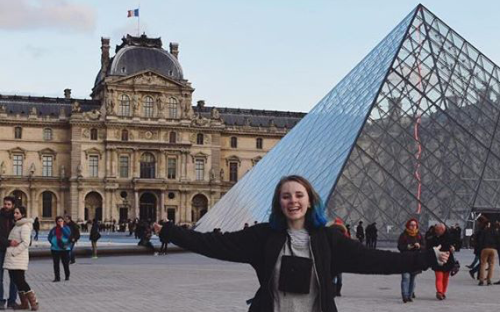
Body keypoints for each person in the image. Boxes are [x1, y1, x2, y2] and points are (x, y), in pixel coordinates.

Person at [153, 175, 449, 312]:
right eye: (286, 196)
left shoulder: (331, 240)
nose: (292, 200)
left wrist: (427, 258)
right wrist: (171, 232)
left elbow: (379, 261)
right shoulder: (263, 236)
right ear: (278, 203)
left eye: (298, 195)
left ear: (310, 201)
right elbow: (214, 244)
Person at [3, 207, 38, 310]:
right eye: (14, 213)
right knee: (16, 280)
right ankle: (24, 304)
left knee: (20, 280)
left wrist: (14, 252)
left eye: (17, 213)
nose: (15, 214)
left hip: (18, 257)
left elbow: (26, 242)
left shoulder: (24, 226)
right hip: (14, 258)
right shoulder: (17, 225)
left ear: (22, 214)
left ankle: (34, 302)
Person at [397, 218, 425, 303]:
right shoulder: (403, 235)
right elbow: (399, 246)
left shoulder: (419, 235)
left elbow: (425, 246)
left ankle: (409, 296)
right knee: (405, 277)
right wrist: (407, 247)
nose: (413, 227)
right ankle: (405, 296)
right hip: (405, 259)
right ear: (408, 226)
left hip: (415, 260)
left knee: (412, 279)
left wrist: (419, 246)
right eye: (411, 225)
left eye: (414, 225)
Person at [426, 223, 455, 300]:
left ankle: (442, 292)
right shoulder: (433, 236)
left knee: (445, 278)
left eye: (437, 230)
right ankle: (439, 292)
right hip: (437, 259)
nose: (436, 231)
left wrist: (453, 248)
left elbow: (455, 245)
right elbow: (428, 246)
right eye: (435, 230)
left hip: (447, 259)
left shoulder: (449, 237)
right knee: (439, 277)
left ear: (442, 229)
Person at [0, 196, 18, 309]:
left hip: (12, 251)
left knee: (14, 277)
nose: (6, 206)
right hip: (1, 249)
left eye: (9, 204)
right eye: (5, 204)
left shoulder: (16, 218)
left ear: (13, 205)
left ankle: (12, 300)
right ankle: (1, 301)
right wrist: (8, 242)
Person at [48, 216, 72, 282]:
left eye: (61, 221)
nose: (60, 222)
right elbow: (49, 237)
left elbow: (68, 235)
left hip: (65, 248)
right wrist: (52, 242)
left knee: (65, 263)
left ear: (63, 221)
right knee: (56, 264)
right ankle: (57, 277)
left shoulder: (66, 228)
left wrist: (62, 228)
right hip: (55, 249)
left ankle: (67, 275)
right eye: (58, 221)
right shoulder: (54, 229)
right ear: (56, 222)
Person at [477, 221, 499, 286]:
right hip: (493, 249)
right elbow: (498, 240)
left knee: (483, 264)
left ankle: (481, 280)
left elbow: (480, 240)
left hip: (485, 248)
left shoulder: (484, 231)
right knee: (491, 265)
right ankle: (489, 280)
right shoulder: (495, 232)